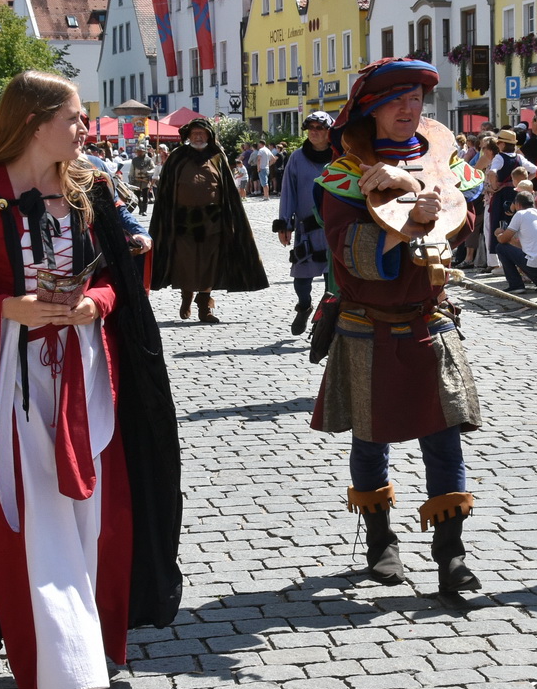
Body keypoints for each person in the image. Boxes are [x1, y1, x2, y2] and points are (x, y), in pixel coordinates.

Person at [0, 69, 182, 689]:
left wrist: (96, 300)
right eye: (75, 118)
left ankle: (93, 647)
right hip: (12, 386)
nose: (85, 130)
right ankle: (53, 668)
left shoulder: (91, 189)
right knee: (36, 522)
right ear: (33, 122)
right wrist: (9, 307)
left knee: (97, 516)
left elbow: (122, 280)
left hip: (90, 379)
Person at [312, 58, 484, 596]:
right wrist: (407, 221)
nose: (410, 110)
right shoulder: (345, 174)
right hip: (369, 324)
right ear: (371, 109)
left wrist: (422, 193)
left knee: (445, 438)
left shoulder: (440, 159)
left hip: (430, 322)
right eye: (396, 101)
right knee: (370, 440)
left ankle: (451, 554)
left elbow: (465, 224)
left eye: (416, 100)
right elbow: (345, 247)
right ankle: (381, 540)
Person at [149, 119, 268, 323]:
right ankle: (187, 297)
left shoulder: (217, 158)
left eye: (202, 134)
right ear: (187, 136)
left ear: (209, 136)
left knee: (209, 265)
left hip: (212, 224)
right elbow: (166, 192)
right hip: (182, 223)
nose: (198, 137)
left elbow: (229, 191)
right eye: (194, 133)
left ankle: (205, 306)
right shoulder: (177, 157)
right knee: (185, 264)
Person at [275, 111, 334, 336]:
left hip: (333, 229)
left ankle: (324, 320)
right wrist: (284, 225)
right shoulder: (297, 158)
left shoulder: (340, 156)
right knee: (301, 280)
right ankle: (304, 306)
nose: (314, 133)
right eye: (311, 129)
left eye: (319, 129)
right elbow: (287, 191)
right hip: (306, 231)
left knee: (332, 282)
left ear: (329, 132)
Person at [495, 188, 537, 291]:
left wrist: (498, 234)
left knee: (500, 247)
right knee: (526, 254)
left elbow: (503, 240)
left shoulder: (520, 214)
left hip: (536, 266)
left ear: (518, 204)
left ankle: (516, 285)